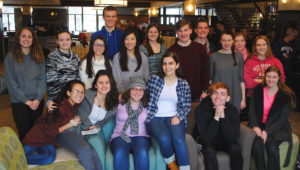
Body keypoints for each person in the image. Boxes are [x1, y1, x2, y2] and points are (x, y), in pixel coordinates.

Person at [21, 80, 84, 165]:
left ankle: (23, 160)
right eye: (76, 91)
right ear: (68, 93)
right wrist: (71, 124)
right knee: (19, 155)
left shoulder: (75, 104)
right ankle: (19, 160)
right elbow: (51, 131)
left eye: (82, 92)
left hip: (49, 139)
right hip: (37, 136)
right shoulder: (60, 107)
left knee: (49, 158)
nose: (80, 95)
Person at [146, 52, 191, 170]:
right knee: (164, 138)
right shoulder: (154, 80)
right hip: (155, 117)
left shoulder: (183, 83)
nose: (167, 66)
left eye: (171, 63)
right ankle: (172, 164)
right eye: (164, 64)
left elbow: (187, 105)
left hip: (174, 117)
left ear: (177, 65)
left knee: (179, 141)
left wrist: (179, 116)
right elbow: (140, 92)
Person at [249, 66, 295, 170]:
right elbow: (252, 109)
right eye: (268, 76)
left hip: (275, 127)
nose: (271, 80)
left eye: (274, 77)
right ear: (265, 77)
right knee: (257, 144)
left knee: (272, 148)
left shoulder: (285, 95)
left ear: (279, 78)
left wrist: (267, 131)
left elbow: (283, 118)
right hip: (259, 124)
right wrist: (255, 126)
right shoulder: (258, 90)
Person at [4, 27, 46, 140]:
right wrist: (26, 101)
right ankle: (25, 156)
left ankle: (36, 157)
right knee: (24, 133)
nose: (26, 39)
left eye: (29, 36)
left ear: (33, 39)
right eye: (23, 36)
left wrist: (38, 99)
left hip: (37, 101)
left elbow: (43, 79)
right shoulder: (10, 58)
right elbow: (11, 82)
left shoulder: (39, 57)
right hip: (19, 102)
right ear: (18, 38)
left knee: (36, 132)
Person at [195, 82, 243, 170]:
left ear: (228, 98)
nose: (218, 97)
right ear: (211, 96)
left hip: (225, 140)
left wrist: (223, 117)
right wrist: (216, 117)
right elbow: (207, 138)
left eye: (222, 94)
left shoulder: (233, 110)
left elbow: (232, 138)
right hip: (206, 141)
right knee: (209, 151)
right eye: (215, 93)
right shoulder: (201, 110)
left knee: (236, 148)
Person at [79, 70, 119, 169]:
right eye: (100, 83)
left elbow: (102, 122)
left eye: (107, 82)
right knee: (95, 150)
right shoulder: (85, 95)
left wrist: (96, 127)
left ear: (111, 85)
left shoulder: (113, 103)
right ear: (95, 85)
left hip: (93, 131)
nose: (104, 85)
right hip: (79, 129)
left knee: (100, 148)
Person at [110, 76, 150, 170]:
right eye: (134, 88)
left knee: (142, 153)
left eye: (141, 89)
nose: (137, 92)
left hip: (141, 136)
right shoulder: (119, 102)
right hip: (120, 136)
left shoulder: (147, 105)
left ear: (144, 92)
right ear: (129, 90)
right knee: (120, 152)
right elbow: (106, 113)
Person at [168, 19, 209, 101]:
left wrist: (205, 91)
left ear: (191, 30)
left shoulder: (200, 49)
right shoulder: (171, 51)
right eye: (180, 31)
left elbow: (205, 71)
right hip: (177, 94)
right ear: (176, 32)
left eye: (186, 30)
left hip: (198, 95)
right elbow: (168, 74)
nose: (183, 34)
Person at [210, 31, 246, 111]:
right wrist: (211, 96)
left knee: (233, 119)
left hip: (235, 93)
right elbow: (210, 80)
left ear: (233, 41)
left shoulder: (239, 56)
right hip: (218, 95)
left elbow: (241, 80)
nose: (226, 43)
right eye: (224, 40)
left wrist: (243, 99)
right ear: (220, 41)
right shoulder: (214, 56)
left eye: (229, 40)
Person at [46, 30, 80, 110]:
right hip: (58, 98)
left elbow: (78, 78)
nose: (65, 42)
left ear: (71, 41)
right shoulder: (52, 57)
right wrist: (67, 98)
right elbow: (52, 83)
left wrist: (76, 94)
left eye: (67, 39)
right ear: (57, 42)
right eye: (61, 40)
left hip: (74, 97)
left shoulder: (76, 57)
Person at [112, 29, 149, 94]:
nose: (129, 42)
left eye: (132, 39)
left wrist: (139, 93)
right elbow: (117, 80)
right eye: (126, 39)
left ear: (136, 40)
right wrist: (125, 95)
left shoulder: (143, 57)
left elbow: (145, 77)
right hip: (123, 95)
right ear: (123, 41)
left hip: (139, 95)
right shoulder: (117, 57)